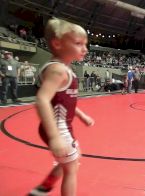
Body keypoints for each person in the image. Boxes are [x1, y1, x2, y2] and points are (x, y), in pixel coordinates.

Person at [29, 18, 94, 196]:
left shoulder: (65, 69)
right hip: (59, 128)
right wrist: (55, 137)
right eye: (78, 43)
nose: (85, 48)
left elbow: (62, 100)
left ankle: (44, 186)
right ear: (57, 44)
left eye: (85, 44)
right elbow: (42, 99)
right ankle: (45, 188)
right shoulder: (57, 70)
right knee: (71, 168)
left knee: (72, 160)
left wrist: (81, 115)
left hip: (63, 125)